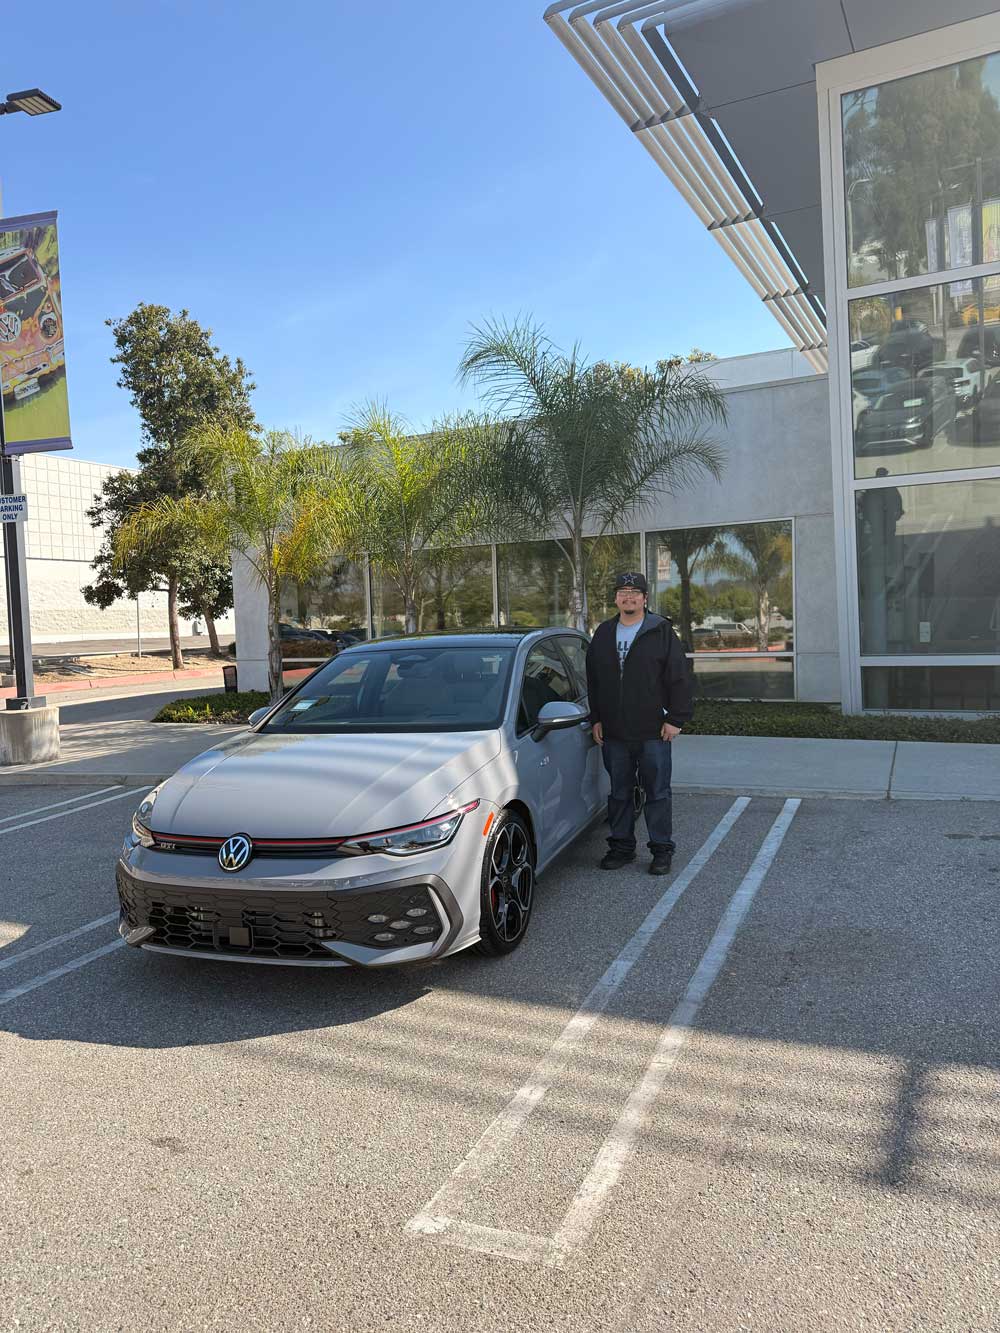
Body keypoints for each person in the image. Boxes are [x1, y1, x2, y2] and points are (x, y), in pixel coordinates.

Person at [585, 571, 694, 876]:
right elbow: (593, 681)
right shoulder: (604, 633)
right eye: (622, 591)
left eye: (635, 591)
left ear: (645, 598)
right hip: (615, 732)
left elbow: (680, 677)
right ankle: (621, 847)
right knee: (619, 793)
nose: (628, 596)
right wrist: (597, 717)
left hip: (653, 731)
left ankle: (661, 850)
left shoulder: (660, 631)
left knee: (657, 792)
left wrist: (675, 719)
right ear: (616, 598)